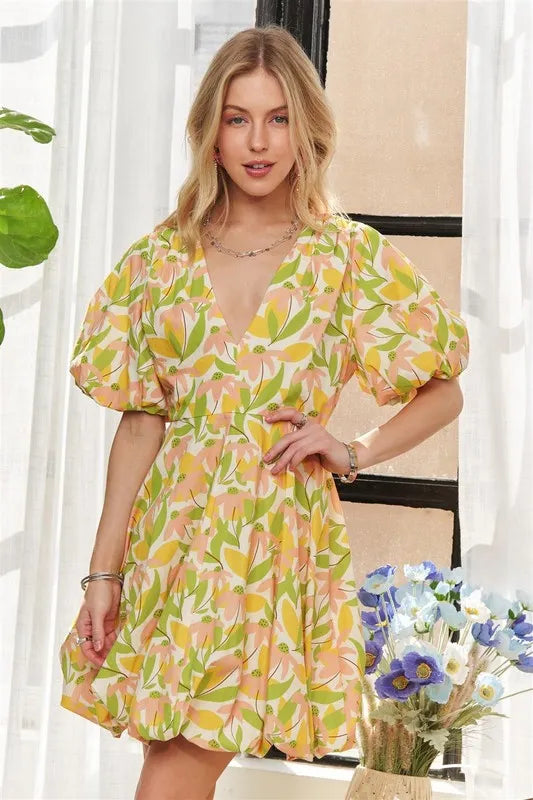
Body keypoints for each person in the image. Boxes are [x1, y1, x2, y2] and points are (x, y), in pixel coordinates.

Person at [58, 24, 469, 800]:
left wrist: (351, 449)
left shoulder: (344, 256)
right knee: (168, 752)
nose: (257, 141)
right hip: (171, 544)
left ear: (305, 129)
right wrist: (103, 572)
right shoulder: (158, 259)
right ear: (209, 133)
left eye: (278, 118)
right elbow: (140, 423)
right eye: (237, 118)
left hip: (273, 544)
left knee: (173, 770)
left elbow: (442, 388)